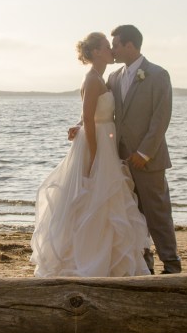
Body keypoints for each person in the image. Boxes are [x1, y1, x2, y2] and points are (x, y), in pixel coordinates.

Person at [30, 32, 151, 277]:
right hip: (97, 145)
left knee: (107, 201)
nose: (111, 50)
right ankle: (88, 257)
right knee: (93, 200)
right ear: (96, 52)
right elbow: (88, 118)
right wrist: (95, 157)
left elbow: (90, 115)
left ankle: (107, 257)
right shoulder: (92, 79)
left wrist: (80, 127)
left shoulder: (102, 78)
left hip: (104, 141)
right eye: (108, 46)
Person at [106, 24, 181, 274]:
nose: (112, 49)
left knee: (158, 215)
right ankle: (143, 263)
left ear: (130, 45)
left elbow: (161, 118)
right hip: (122, 161)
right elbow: (104, 112)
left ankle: (171, 265)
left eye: (115, 44)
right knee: (132, 216)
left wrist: (144, 153)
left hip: (149, 160)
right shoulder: (114, 78)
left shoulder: (158, 75)